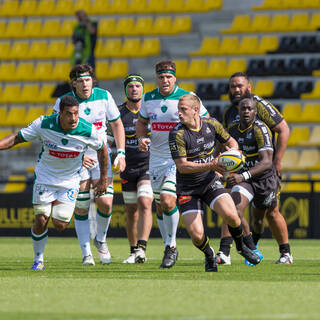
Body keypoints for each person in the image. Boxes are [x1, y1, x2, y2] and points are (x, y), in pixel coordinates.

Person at [0, 96, 109, 271]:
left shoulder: (87, 130)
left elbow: (102, 149)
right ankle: (38, 260)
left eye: (76, 114)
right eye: (68, 114)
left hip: (70, 181)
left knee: (60, 224)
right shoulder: (43, 124)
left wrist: (104, 178)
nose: (73, 118)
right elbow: (17, 138)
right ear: (60, 114)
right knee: (41, 217)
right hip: (45, 178)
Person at [168, 94, 261, 272]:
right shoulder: (177, 133)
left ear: (196, 110)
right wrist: (212, 165)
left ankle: (242, 248)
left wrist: (234, 153)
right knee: (197, 236)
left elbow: (231, 141)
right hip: (188, 188)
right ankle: (209, 254)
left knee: (232, 215)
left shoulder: (212, 124)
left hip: (209, 182)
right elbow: (182, 166)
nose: (179, 114)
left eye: (183, 110)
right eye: (178, 110)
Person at [136, 60, 209, 268]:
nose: (165, 80)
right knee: (160, 206)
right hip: (156, 158)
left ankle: (171, 246)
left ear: (175, 77)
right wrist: (142, 138)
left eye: (168, 77)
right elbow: (142, 123)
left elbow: (207, 120)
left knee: (168, 201)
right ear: (156, 78)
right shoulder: (148, 98)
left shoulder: (187, 98)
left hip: (179, 158)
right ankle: (169, 245)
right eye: (161, 77)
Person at [53, 64, 126, 266]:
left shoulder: (104, 96)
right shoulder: (63, 102)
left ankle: (100, 240)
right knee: (82, 207)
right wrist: (77, 155)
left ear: (92, 80)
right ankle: (86, 253)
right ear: (73, 83)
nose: (85, 84)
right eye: (80, 81)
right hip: (76, 160)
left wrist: (121, 152)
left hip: (101, 156)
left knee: (105, 202)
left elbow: (117, 124)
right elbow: (56, 134)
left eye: (88, 80)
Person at [217, 72, 292, 265]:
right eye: (232, 87)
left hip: (265, 171)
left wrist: (277, 161)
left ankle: (285, 253)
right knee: (233, 207)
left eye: (239, 86)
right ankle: (226, 252)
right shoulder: (229, 114)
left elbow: (283, 129)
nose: (235, 90)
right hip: (244, 174)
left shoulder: (260, 106)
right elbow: (228, 143)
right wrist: (224, 166)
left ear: (249, 87)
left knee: (268, 212)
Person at [226, 98, 280, 265]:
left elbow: (267, 162)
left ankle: (261, 244)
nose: (246, 111)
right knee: (235, 210)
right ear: (239, 111)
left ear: (255, 112)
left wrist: (243, 176)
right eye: (243, 109)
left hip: (264, 180)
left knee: (259, 219)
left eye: (250, 109)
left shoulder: (260, 129)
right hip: (245, 180)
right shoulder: (232, 129)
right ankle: (250, 248)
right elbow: (222, 151)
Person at [107, 74, 153, 264]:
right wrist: (115, 158)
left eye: (137, 86)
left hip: (148, 165)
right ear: (126, 90)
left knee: (145, 202)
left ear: (143, 89)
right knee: (131, 210)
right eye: (131, 86)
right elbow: (109, 143)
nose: (134, 89)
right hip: (127, 168)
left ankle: (142, 247)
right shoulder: (117, 114)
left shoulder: (150, 112)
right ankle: (134, 251)